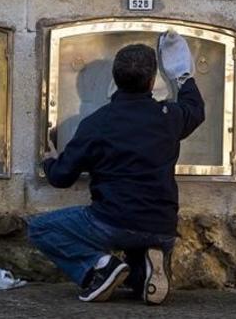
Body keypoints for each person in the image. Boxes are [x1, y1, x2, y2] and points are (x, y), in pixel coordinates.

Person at [28, 31, 203, 305]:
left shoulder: (96, 123)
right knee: (134, 276)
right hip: (162, 227)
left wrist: (50, 160)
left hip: (111, 223)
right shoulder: (169, 117)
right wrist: (182, 74)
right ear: (152, 80)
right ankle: (146, 267)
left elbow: (62, 177)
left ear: (115, 79)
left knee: (40, 228)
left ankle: (99, 266)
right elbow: (196, 108)